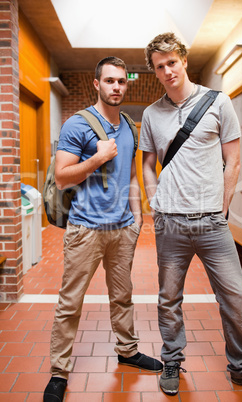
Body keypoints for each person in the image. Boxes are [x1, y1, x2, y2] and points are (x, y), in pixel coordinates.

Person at [139, 32, 242, 396]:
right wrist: (155, 200)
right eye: (159, 67)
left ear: (183, 60)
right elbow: (148, 164)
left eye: (172, 63)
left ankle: (241, 367)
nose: (167, 71)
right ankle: (172, 361)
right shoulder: (151, 114)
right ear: (155, 72)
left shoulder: (218, 102)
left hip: (212, 221)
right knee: (169, 298)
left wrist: (223, 207)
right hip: (171, 223)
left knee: (234, 296)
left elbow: (233, 160)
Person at [43, 56, 163, 402]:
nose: (116, 87)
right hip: (85, 231)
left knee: (123, 297)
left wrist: (138, 218)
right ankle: (58, 371)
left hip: (122, 230)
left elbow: (130, 176)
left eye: (121, 82)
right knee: (70, 303)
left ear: (127, 84)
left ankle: (127, 350)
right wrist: (97, 158)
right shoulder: (77, 125)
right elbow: (63, 177)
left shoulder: (128, 125)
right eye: (109, 81)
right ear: (97, 84)